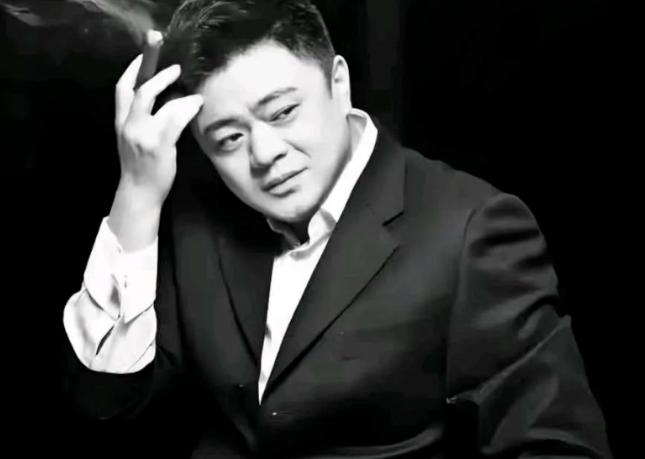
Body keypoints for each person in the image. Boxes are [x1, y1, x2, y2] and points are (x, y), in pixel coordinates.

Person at [62, 0, 611, 457]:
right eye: (229, 138)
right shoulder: (200, 223)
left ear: (339, 82)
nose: (265, 154)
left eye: (282, 112)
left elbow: (556, 445)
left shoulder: (472, 229)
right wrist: (137, 192)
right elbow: (108, 413)